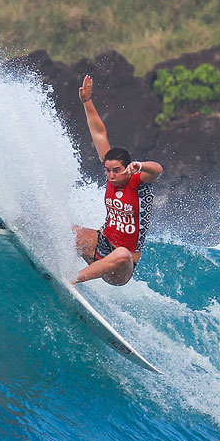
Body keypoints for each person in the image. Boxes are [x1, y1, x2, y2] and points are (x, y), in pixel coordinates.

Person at [73, 75, 163, 285]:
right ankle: (15, 225)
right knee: (65, 229)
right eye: (108, 171)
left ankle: (69, 280)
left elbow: (158, 170)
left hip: (122, 266)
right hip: (101, 243)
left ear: (128, 169)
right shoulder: (111, 175)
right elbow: (99, 133)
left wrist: (140, 166)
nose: (111, 175)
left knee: (122, 253)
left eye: (116, 171)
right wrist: (87, 101)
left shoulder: (138, 183)